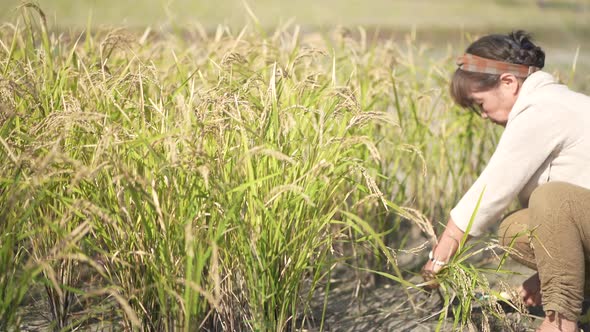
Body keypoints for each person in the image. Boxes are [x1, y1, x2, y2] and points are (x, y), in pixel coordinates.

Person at [421, 30, 590, 332]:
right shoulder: (550, 102)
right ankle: (580, 297)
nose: (483, 116)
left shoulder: (542, 106)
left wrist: (440, 256)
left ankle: (560, 323)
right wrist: (546, 279)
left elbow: (490, 191)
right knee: (517, 228)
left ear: (509, 83)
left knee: (549, 199)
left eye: (479, 103)